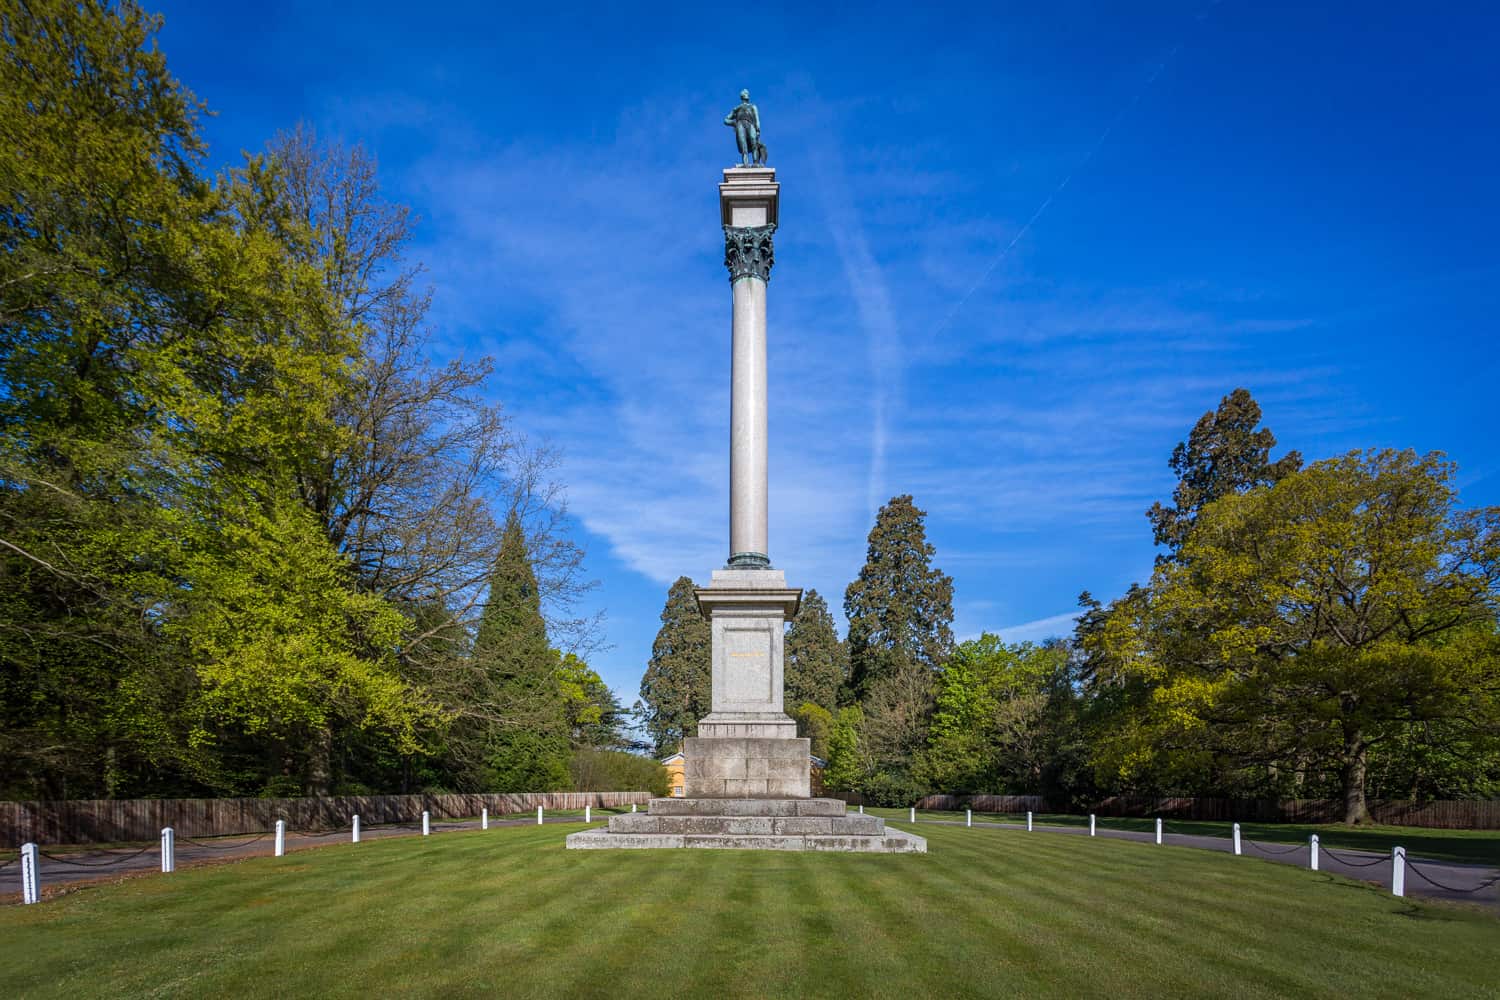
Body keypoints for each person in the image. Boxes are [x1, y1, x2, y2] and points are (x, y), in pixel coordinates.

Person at [724, 90, 761, 167]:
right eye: (745, 93)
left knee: (753, 141)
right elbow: (726, 120)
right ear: (742, 96)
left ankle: (755, 162)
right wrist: (734, 123)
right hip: (740, 125)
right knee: (743, 143)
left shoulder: (752, 106)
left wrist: (758, 130)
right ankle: (745, 163)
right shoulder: (737, 108)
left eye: (747, 93)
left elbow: (757, 119)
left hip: (750, 124)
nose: (747, 95)